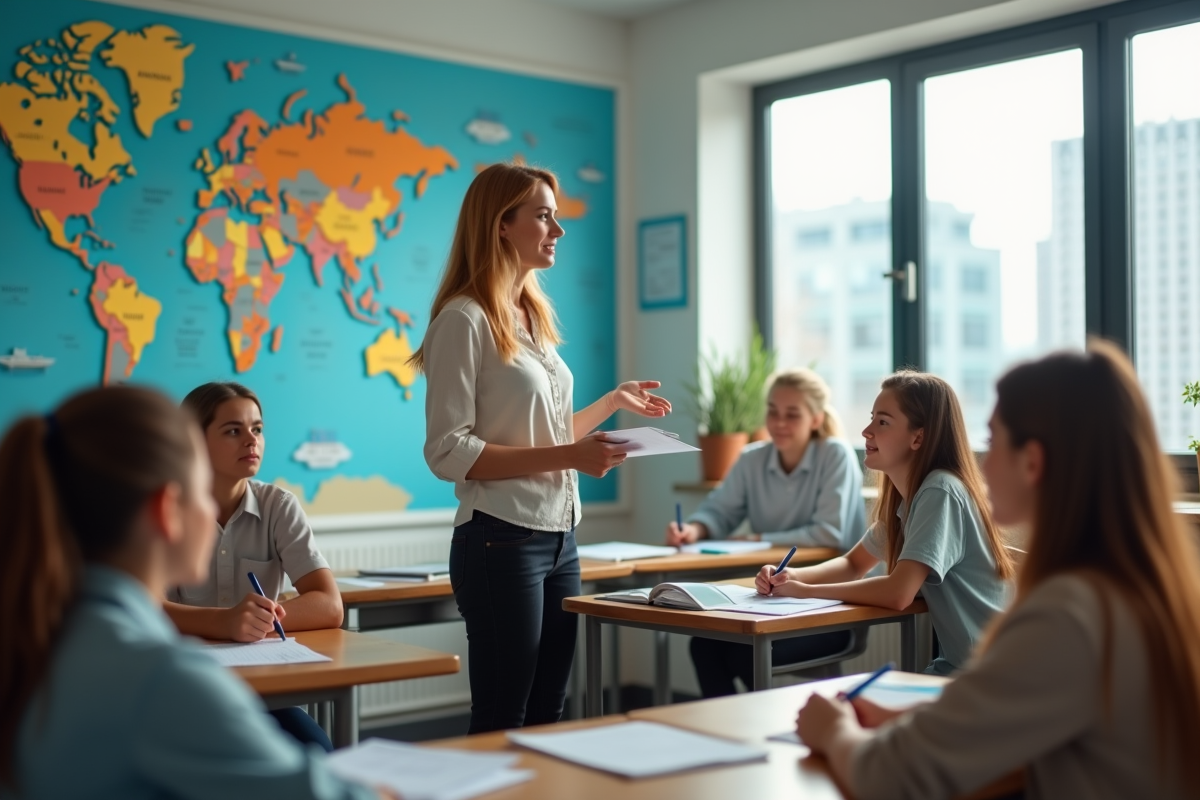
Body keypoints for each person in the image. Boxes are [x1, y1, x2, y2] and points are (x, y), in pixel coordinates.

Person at [796, 343, 1200, 800]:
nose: (983, 463)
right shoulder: (1137, 589)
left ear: (1033, 461)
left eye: (994, 439)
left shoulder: (1066, 615)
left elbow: (888, 776)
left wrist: (833, 730)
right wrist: (919, 719)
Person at [0, 386, 385, 799]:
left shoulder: (37, 633)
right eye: (197, 487)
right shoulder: (161, 680)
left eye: (257, 429)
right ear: (168, 510)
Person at [410, 162, 671, 734]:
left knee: (550, 714)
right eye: (544, 216)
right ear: (501, 224)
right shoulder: (463, 319)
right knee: (504, 716)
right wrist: (569, 457)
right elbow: (448, 451)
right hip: (499, 541)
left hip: (560, 541)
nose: (559, 230)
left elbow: (542, 432)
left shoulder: (532, 315)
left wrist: (609, 403)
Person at [758, 370, 1014, 676]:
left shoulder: (939, 491)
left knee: (854, 712)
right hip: (963, 668)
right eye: (871, 419)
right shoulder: (910, 501)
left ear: (918, 437)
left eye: (882, 422)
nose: (866, 431)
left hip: (992, 675)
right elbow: (853, 564)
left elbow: (898, 592)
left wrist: (806, 592)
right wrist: (790, 576)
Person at [667, 368, 868, 696]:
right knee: (703, 645)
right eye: (773, 412)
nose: (779, 423)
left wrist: (757, 539)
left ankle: (763, 731)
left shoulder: (835, 454)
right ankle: (728, 738)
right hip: (769, 599)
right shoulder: (751, 458)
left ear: (815, 419)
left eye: (792, 415)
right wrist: (693, 529)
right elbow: (720, 510)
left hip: (825, 606)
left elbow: (828, 534)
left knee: (741, 652)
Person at [164, 381, 342, 750]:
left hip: (263, 692)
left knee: (317, 749)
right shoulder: (167, 508)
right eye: (233, 431)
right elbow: (146, 608)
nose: (251, 440)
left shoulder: (279, 505)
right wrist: (225, 621)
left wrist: (258, 621)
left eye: (257, 429)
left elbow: (329, 604)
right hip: (181, 690)